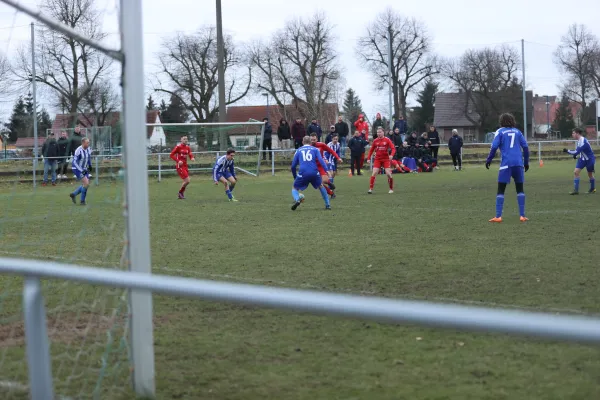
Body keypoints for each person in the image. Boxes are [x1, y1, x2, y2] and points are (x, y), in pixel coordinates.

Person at [485, 113, 529, 223]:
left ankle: (498, 216)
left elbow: (494, 146)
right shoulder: (518, 132)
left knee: (501, 190)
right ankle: (522, 216)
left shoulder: (500, 132)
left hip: (506, 164)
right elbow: (526, 147)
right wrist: (526, 162)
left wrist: (489, 160)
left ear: (501, 121)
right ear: (512, 121)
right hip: (518, 163)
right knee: (520, 189)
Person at [290, 136, 331, 211]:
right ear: (310, 142)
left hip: (303, 172)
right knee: (321, 186)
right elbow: (321, 160)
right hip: (314, 172)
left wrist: (295, 176)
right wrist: (327, 170)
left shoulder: (298, 150)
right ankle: (328, 205)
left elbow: (293, 166)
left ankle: (297, 200)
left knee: (294, 188)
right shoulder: (315, 149)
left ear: (302, 142)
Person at [563, 128, 595, 195]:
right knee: (576, 172)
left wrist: (567, 151)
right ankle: (576, 190)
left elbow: (576, 151)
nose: (572, 134)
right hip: (582, 159)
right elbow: (580, 151)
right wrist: (576, 155)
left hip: (589, 159)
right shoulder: (579, 140)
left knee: (590, 175)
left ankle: (592, 189)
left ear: (577, 133)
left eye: (573, 133)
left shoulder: (583, 141)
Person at [366, 127, 396, 194]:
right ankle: (370, 189)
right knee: (374, 173)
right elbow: (371, 150)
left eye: (380, 132)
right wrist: (368, 158)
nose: (378, 133)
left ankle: (391, 189)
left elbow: (393, 148)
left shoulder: (387, 140)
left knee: (388, 173)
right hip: (378, 159)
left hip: (386, 159)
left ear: (383, 132)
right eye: (377, 132)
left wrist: (391, 155)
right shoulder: (375, 141)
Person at [69, 137, 92, 205]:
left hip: (84, 168)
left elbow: (88, 157)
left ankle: (74, 194)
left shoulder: (88, 149)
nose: (88, 144)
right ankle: (82, 201)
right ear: (83, 143)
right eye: (87, 142)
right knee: (86, 183)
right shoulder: (78, 150)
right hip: (77, 169)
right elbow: (75, 162)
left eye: (88, 142)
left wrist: (90, 165)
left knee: (86, 184)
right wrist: (81, 170)